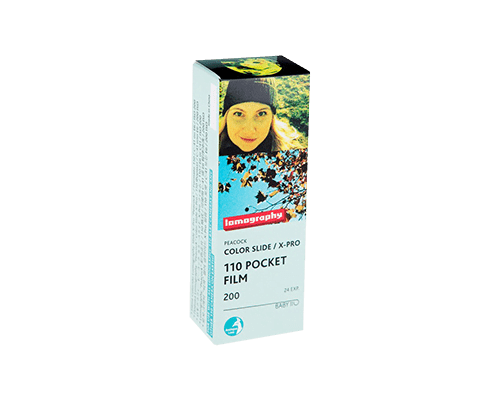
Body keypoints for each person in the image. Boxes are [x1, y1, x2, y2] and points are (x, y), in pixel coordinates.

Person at [219, 78, 307, 156]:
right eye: (238, 114)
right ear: (226, 117)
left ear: (272, 119)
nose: (249, 130)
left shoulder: (293, 153)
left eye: (261, 114)